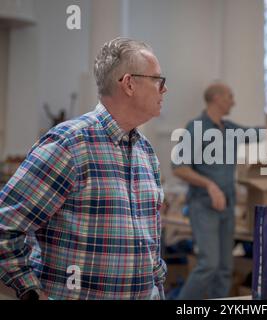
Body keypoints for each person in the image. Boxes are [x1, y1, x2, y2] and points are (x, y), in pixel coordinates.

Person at [0, 37, 167, 300]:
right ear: (130, 83)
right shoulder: (69, 145)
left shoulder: (146, 152)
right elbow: (5, 226)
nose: (164, 90)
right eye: (158, 80)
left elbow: (151, 247)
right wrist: (30, 291)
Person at [173, 82, 267, 299]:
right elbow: (179, 168)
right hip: (204, 205)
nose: (233, 101)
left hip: (226, 205)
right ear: (217, 98)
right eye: (230, 96)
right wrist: (209, 185)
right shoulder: (196, 127)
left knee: (224, 269)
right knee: (208, 265)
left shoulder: (229, 129)